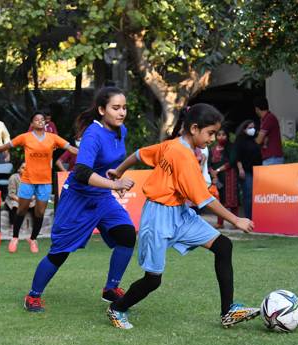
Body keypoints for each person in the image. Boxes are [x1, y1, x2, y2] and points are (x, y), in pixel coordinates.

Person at [105, 103, 260, 330]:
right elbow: (205, 200)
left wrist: (119, 170)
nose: (213, 139)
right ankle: (117, 308)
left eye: (215, 134)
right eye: (210, 133)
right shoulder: (183, 156)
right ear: (195, 128)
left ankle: (228, 311)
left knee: (223, 246)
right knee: (153, 279)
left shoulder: (173, 145)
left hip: (179, 213)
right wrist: (236, 220)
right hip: (157, 217)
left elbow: (139, 154)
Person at [21, 86, 136, 313]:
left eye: (124, 108)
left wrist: (115, 175)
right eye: (116, 108)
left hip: (102, 197)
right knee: (60, 252)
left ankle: (110, 289)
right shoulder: (93, 134)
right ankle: (33, 296)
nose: (121, 112)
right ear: (102, 110)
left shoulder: (120, 131)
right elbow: (82, 172)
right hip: (78, 198)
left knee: (126, 235)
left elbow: (108, 163)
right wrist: (114, 184)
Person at [0, 111, 78, 253]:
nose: (40, 121)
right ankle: (15, 237)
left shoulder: (53, 138)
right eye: (37, 120)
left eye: (42, 120)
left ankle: (33, 238)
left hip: (45, 181)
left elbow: (71, 148)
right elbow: (4, 147)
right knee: (21, 209)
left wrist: (88, 152)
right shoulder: (25, 137)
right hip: (28, 180)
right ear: (32, 123)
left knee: (40, 212)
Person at [209, 128, 238, 228]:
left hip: (229, 175)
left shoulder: (231, 147)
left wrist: (217, 170)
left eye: (223, 135)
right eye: (219, 135)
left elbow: (232, 161)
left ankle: (236, 223)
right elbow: (210, 163)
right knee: (219, 199)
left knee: (232, 199)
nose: (221, 137)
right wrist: (213, 173)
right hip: (217, 177)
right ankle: (220, 223)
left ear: (227, 136)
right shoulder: (212, 149)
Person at [234, 120, 262, 219]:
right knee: (248, 195)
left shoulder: (254, 140)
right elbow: (237, 157)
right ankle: (248, 218)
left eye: (253, 127)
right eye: (250, 128)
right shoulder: (240, 140)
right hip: (246, 171)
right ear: (244, 129)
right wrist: (240, 169)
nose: (252, 130)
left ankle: (255, 216)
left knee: (256, 196)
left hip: (257, 171)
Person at [254, 96, 284, 165]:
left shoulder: (268, 118)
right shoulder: (266, 118)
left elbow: (259, 140)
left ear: (257, 109)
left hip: (272, 158)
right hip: (272, 158)